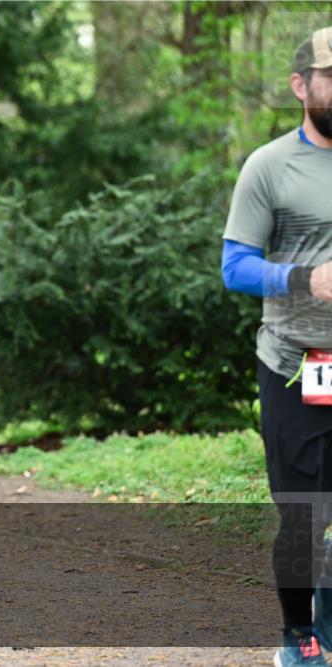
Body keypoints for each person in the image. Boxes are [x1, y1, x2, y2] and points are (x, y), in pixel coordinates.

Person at [220, 27, 332, 666]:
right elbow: (235, 267)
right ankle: (300, 636)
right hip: (295, 367)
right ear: (301, 86)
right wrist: (302, 278)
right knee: (302, 519)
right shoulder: (269, 165)